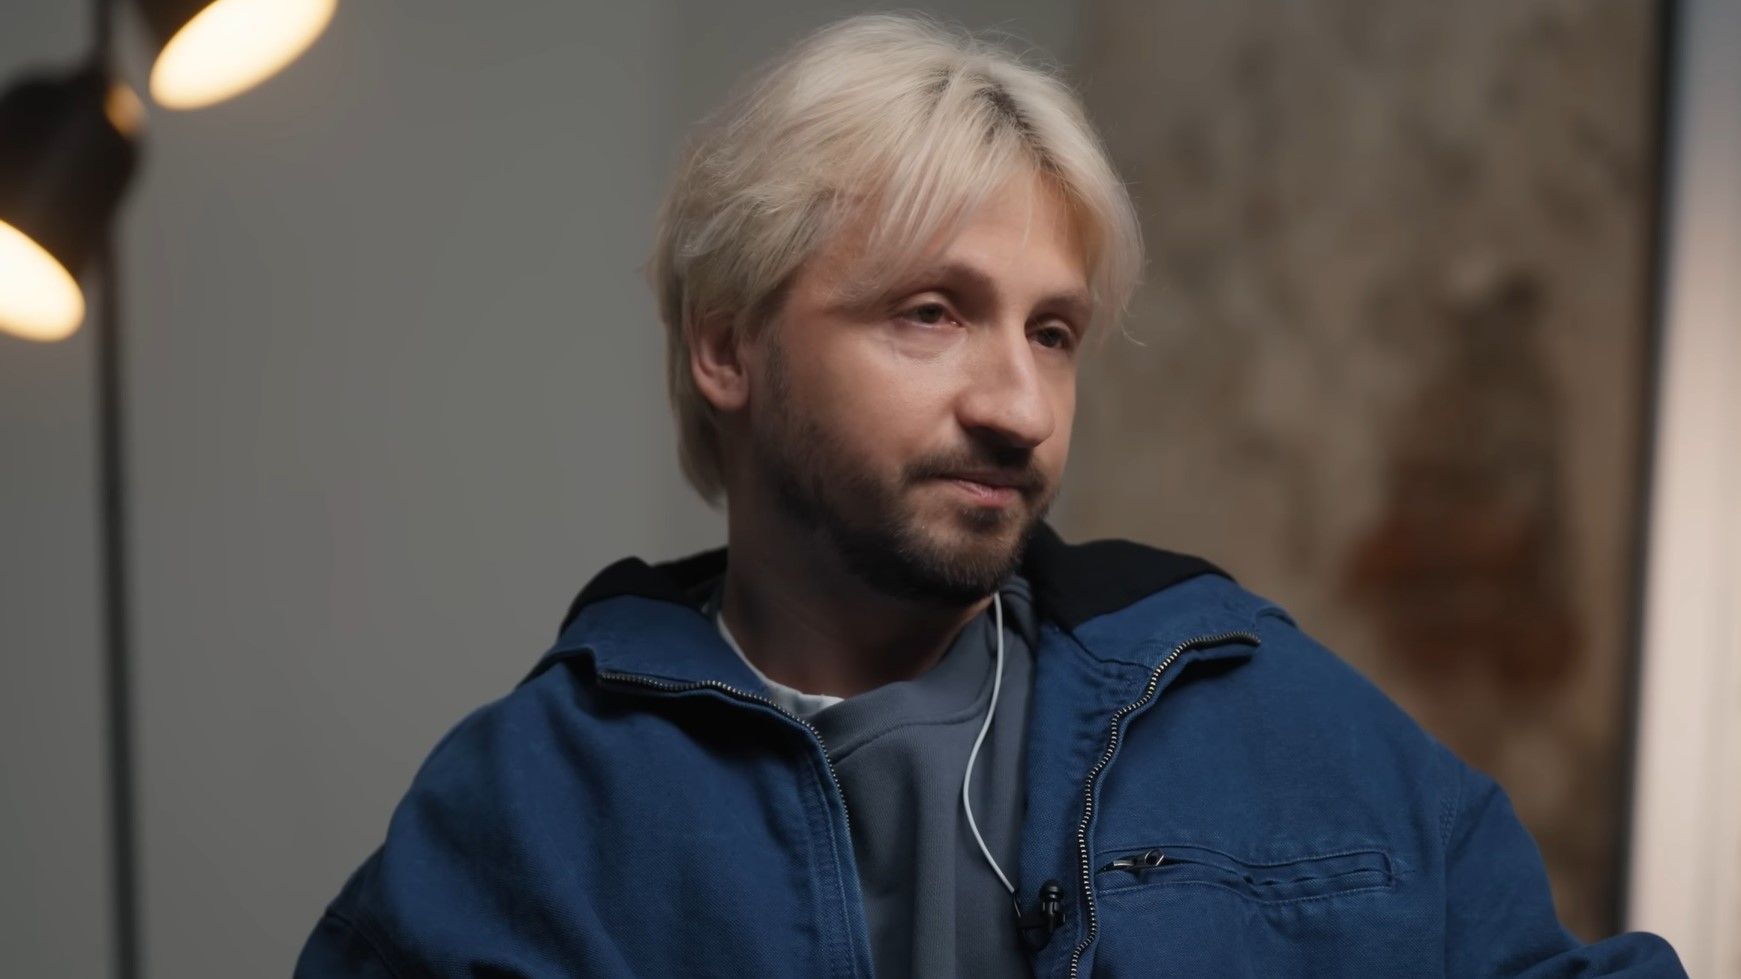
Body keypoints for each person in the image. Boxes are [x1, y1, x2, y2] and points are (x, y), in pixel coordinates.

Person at [294, 13, 1686, 978]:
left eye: (1053, 332)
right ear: (727, 345)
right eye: (930, 313)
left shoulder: (1254, 703)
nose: (1018, 407)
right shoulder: (531, 807)